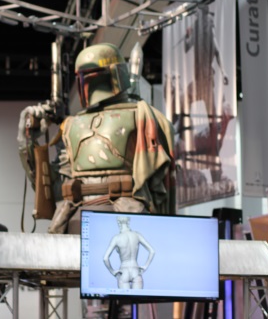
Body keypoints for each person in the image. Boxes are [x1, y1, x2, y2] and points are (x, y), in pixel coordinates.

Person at [19, 42, 176, 234]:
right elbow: (52, 187)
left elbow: (162, 187)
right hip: (78, 216)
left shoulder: (143, 117)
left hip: (126, 216)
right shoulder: (71, 126)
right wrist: (28, 141)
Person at [103, 216, 155, 289]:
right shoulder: (137, 235)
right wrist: (145, 266)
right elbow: (152, 251)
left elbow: (105, 258)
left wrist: (112, 271)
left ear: (118, 222)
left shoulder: (116, 238)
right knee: (137, 296)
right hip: (135, 270)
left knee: (125, 297)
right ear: (128, 221)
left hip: (124, 272)